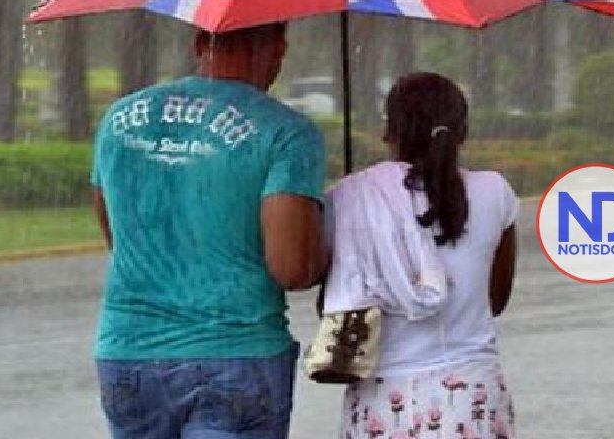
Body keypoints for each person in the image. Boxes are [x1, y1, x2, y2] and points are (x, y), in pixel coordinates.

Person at [91, 23, 328, 439]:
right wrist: (324, 249)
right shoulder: (287, 134)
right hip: (235, 356)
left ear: (200, 42)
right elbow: (292, 269)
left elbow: (118, 236)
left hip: (127, 355)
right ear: (278, 48)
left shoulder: (119, 121)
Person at [325, 72, 519, 439]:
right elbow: (495, 299)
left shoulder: (351, 198)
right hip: (471, 397)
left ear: (389, 132)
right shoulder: (495, 192)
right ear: (462, 133)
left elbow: (334, 298)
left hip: (382, 396)